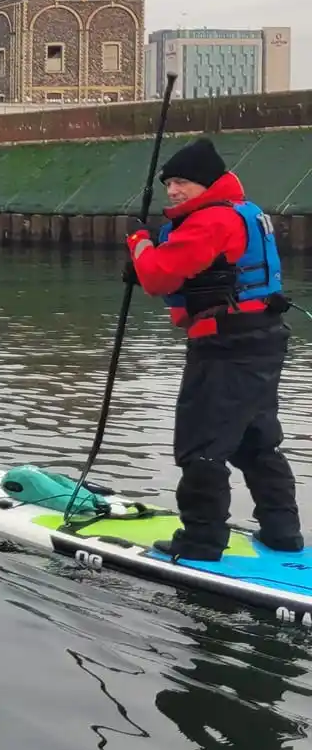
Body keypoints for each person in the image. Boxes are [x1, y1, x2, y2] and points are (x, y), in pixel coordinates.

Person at [125, 137, 302, 561]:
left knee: (201, 445)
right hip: (263, 337)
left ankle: (201, 543)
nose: (173, 191)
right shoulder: (248, 213)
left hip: (226, 345)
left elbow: (158, 276)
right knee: (255, 441)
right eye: (169, 183)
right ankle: (283, 533)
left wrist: (138, 243)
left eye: (183, 182)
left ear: (209, 183)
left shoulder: (210, 222)